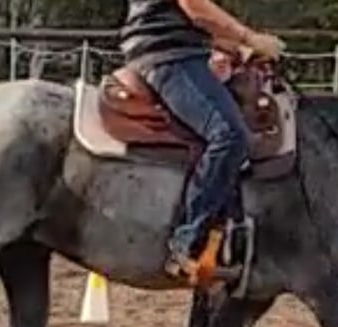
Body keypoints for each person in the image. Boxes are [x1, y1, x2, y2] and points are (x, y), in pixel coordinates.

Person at [120, 0, 285, 284]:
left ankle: (225, 239)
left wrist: (239, 49)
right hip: (169, 56)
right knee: (230, 136)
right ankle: (187, 243)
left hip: (167, 49)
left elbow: (188, 20)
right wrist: (249, 37)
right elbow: (195, 7)